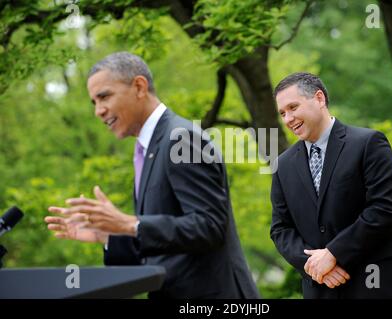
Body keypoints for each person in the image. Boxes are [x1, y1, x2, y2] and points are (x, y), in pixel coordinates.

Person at [45, 52, 259, 299]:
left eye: (104, 97)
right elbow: (163, 247)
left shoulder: (180, 139)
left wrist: (130, 224)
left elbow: (209, 227)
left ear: (139, 87)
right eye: (93, 102)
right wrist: (110, 234)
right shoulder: (148, 149)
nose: (98, 111)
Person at [270, 72, 392, 299]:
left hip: (380, 286)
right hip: (321, 290)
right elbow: (280, 229)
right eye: (282, 113)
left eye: (293, 107)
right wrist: (314, 265)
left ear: (320, 99)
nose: (288, 119)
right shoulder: (282, 166)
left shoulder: (368, 143)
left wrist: (334, 253)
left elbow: (384, 208)